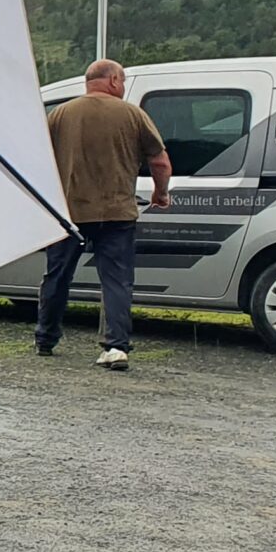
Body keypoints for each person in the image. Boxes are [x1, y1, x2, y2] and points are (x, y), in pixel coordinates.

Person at [35, 58, 172, 369]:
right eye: (122, 81)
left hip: (69, 213)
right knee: (116, 281)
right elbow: (160, 162)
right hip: (117, 212)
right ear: (112, 81)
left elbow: (39, 159)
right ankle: (116, 347)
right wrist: (160, 193)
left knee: (57, 276)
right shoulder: (133, 114)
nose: (122, 87)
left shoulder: (60, 115)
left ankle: (45, 338)